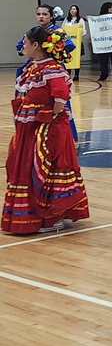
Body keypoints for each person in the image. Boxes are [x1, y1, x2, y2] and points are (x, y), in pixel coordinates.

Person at [3, 26, 89, 234]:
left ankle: (52, 216)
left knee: (45, 166)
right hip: (30, 125)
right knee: (25, 165)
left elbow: (60, 98)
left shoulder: (52, 68)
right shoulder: (33, 66)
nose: (22, 46)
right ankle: (31, 214)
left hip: (47, 127)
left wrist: (47, 119)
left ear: (36, 45)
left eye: (25, 43)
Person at [17, 4, 78, 141]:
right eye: (38, 14)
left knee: (58, 102)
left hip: (49, 68)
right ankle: (32, 135)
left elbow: (69, 46)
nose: (41, 17)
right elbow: (20, 46)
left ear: (51, 16)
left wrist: (50, 53)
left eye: (45, 14)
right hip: (35, 66)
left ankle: (66, 137)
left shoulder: (57, 31)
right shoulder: (34, 31)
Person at [91, 1, 112, 82]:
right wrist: (89, 19)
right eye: (110, 8)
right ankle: (103, 75)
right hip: (102, 42)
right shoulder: (99, 19)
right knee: (103, 60)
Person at [64, 4, 87, 81]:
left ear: (77, 11)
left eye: (74, 9)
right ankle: (68, 74)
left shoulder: (80, 20)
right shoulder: (66, 20)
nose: (72, 11)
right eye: (71, 9)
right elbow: (63, 29)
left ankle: (76, 75)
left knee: (77, 59)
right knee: (68, 58)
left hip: (77, 42)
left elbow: (83, 31)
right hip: (68, 42)